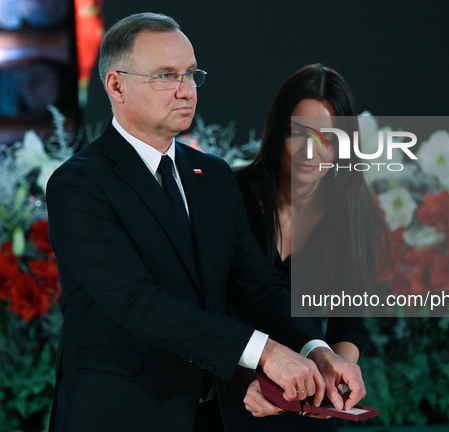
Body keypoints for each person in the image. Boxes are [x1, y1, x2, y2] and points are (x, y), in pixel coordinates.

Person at [45, 14, 365, 432]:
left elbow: (256, 284)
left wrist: (318, 349)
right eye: (166, 76)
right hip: (119, 415)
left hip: (214, 417)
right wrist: (266, 352)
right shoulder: (78, 184)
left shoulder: (212, 176)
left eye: (191, 74)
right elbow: (141, 305)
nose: (186, 90)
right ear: (116, 86)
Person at [217, 65, 389, 431]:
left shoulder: (354, 214)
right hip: (233, 387)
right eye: (298, 133)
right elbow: (210, 307)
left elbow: (348, 323)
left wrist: (338, 376)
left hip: (306, 401)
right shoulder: (229, 195)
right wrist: (246, 378)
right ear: (278, 132)